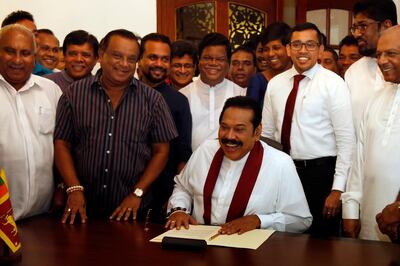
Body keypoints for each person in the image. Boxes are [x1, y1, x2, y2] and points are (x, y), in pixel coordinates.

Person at [54, 29, 178, 224]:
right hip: (82, 209)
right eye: (117, 56)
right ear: (101, 55)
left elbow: (162, 151)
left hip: (134, 211)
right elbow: (62, 144)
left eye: (131, 59)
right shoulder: (74, 94)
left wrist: (137, 193)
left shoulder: (153, 100)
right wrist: (73, 188)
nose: (124, 64)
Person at [166, 96, 312, 234]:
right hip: (201, 244)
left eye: (239, 129)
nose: (229, 136)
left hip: (251, 253)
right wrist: (179, 210)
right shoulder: (206, 151)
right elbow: (183, 187)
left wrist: (259, 220)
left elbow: (301, 220)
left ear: (257, 131)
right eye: (224, 127)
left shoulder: (280, 163)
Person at [262, 22, 355, 237]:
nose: (303, 50)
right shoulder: (275, 84)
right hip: (283, 172)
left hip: (321, 175)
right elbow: (267, 136)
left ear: (320, 49)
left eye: (310, 45)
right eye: (297, 44)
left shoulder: (334, 84)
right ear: (288, 49)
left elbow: (346, 141)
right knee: (281, 237)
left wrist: (337, 189)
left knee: (321, 243)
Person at [342, 26, 400, 241]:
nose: (382, 61)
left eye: (391, 54)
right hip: (369, 220)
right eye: (379, 55)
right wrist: (350, 209)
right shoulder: (376, 99)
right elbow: (360, 159)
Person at [0, 25, 62, 220]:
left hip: (44, 217)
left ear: (34, 57)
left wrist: (62, 187)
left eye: (25, 53)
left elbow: (65, 144)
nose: (17, 60)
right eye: (10, 51)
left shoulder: (51, 90)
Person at [138, 33, 192, 222]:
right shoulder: (126, 94)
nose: (159, 64)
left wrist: (174, 198)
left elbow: (183, 153)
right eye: (153, 57)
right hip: (123, 192)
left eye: (165, 59)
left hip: (161, 194)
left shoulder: (178, 101)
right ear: (140, 58)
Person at [180, 33, 244, 151]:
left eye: (220, 59)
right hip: (191, 165)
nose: (213, 63)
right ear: (199, 60)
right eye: (208, 58)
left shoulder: (241, 94)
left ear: (228, 63)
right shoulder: (183, 95)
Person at [345, 0, 397, 135]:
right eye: (355, 28)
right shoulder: (353, 73)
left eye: (363, 26)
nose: (356, 34)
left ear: (386, 25)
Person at [247, 22, 292, 108]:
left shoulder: (300, 77)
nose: (270, 54)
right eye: (266, 49)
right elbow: (250, 115)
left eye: (276, 48)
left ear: (289, 48)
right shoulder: (258, 81)